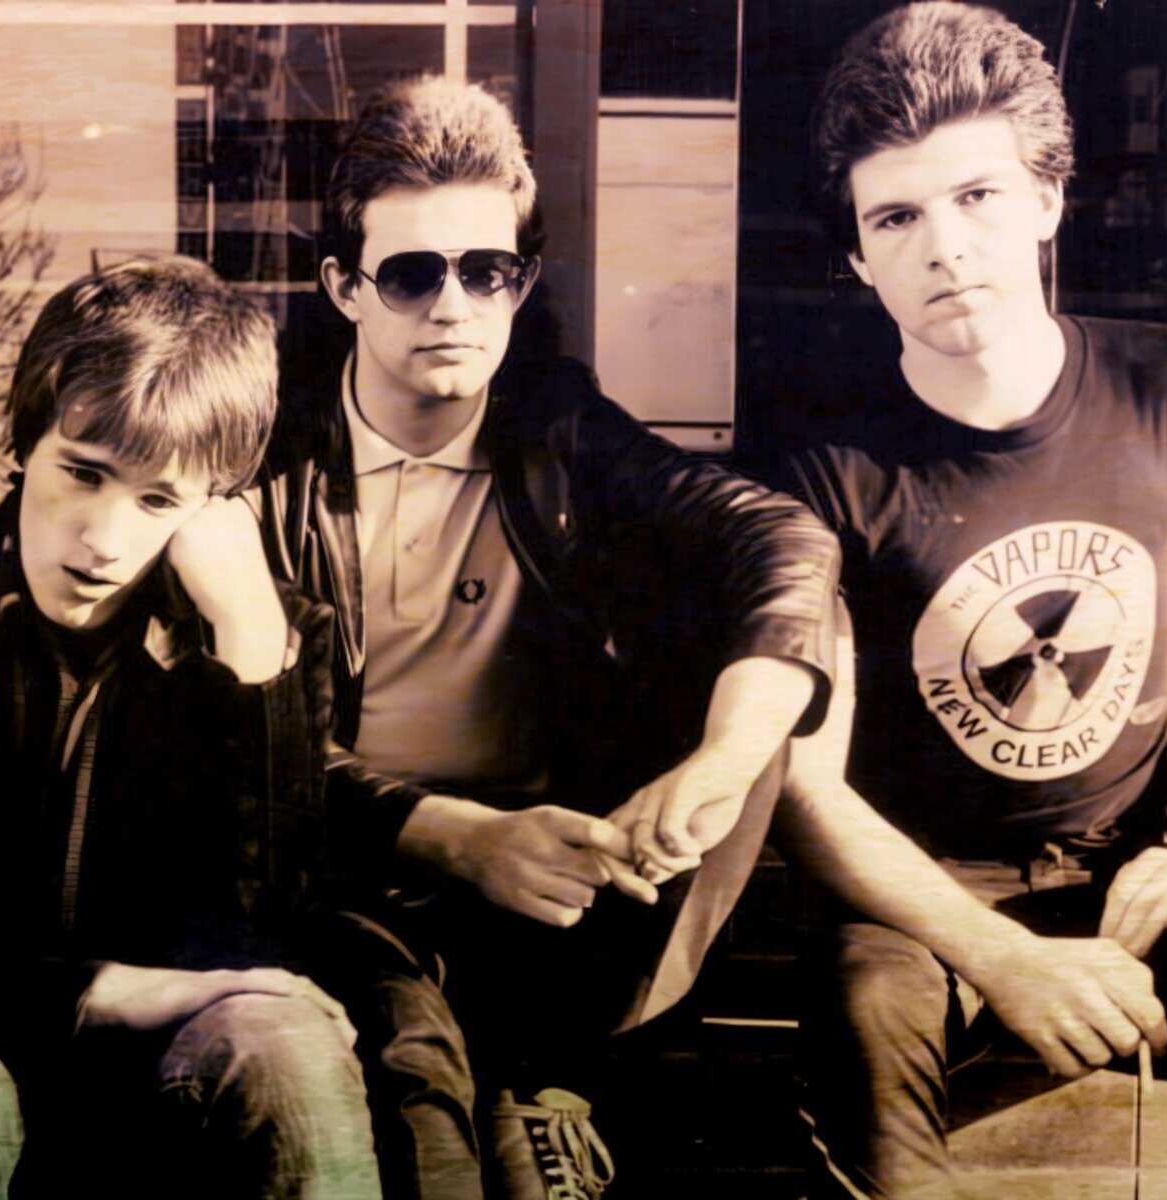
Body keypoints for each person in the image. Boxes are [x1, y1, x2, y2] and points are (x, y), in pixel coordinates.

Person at [770, 6, 1167, 1197]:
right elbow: (804, 783)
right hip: (921, 909)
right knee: (861, 1013)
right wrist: (1002, 959)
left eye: (978, 198)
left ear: (1049, 200)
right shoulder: (824, 465)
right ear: (858, 258)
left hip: (1126, 884)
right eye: (896, 217)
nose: (943, 246)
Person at [255, 76, 843, 1200]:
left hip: (549, 885)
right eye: (414, 273)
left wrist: (716, 767)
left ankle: (557, 1095)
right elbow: (251, 763)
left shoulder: (557, 430)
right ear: (344, 285)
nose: (454, 306)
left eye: (489, 272)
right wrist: (460, 837)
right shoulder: (267, 458)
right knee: (417, 1106)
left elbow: (783, 542)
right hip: (339, 868)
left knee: (779, 650)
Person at [0, 257, 380, 1199]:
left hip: (166, 1082)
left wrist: (251, 651)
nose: (103, 537)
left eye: (159, 500)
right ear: (25, 442)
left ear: (217, 506)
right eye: (83, 474)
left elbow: (266, 937)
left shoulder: (269, 638)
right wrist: (95, 991)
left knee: (284, 1046)